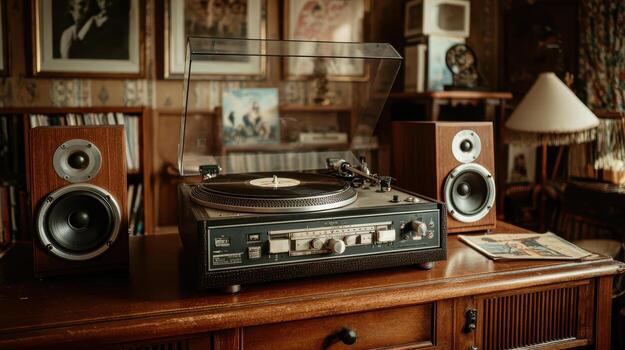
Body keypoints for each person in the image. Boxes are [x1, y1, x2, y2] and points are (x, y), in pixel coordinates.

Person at [60, 0, 129, 59]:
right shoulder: (69, 33)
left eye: (89, 5)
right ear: (71, 8)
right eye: (82, 4)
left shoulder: (101, 26)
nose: (87, 9)